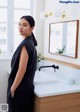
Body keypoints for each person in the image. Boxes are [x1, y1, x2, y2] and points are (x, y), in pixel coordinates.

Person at [7, 15, 37, 112]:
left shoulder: (26, 44)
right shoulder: (30, 42)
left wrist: (12, 89)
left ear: (32, 28)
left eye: (24, 25)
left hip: (20, 89)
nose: (20, 27)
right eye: (19, 24)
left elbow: (22, 69)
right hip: (25, 88)